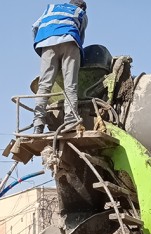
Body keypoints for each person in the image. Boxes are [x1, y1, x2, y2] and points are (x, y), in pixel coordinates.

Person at [32, 0, 88, 134]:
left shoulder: (50, 8)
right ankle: (70, 121)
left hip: (46, 42)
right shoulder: (80, 12)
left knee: (44, 85)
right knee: (70, 86)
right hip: (70, 41)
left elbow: (34, 27)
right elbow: (80, 35)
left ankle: (38, 125)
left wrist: (41, 43)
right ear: (82, 7)